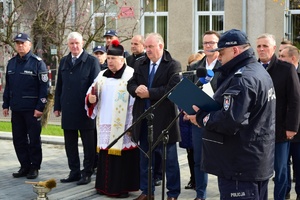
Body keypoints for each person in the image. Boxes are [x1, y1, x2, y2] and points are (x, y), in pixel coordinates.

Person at [186, 29, 276, 199]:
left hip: (240, 166)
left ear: (235, 50)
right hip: (253, 160)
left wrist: (200, 117)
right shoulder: (257, 70)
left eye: (221, 52)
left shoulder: (242, 78)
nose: (219, 57)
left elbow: (230, 120)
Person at [127, 32, 181, 200]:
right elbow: (131, 83)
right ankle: (147, 191)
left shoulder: (173, 65)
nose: (148, 50)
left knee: (169, 160)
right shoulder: (140, 63)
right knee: (145, 159)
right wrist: (136, 90)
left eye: (151, 47)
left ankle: (172, 193)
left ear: (160, 46)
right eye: (146, 46)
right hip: (144, 118)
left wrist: (149, 93)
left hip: (165, 120)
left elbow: (171, 89)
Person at [85, 39, 139, 198]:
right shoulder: (102, 75)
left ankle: (121, 188)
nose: (110, 61)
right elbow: (91, 91)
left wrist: (132, 124)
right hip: (105, 123)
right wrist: (90, 99)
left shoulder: (130, 74)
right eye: (108, 58)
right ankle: (104, 187)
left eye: (113, 59)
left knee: (122, 159)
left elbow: (135, 102)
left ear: (122, 59)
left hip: (123, 124)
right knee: (105, 156)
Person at [256, 33, 300, 200]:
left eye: (265, 46)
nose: (261, 49)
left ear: (273, 48)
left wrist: (291, 127)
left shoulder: (286, 69)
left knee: (280, 171)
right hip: (257, 132)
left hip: (280, 130)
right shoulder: (252, 68)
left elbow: (295, 100)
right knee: (259, 171)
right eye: (259, 46)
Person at [54, 32, 100, 185]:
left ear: (82, 43)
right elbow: (59, 85)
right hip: (68, 109)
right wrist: (57, 106)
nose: (74, 46)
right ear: (68, 45)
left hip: (85, 110)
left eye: (77, 43)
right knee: (70, 144)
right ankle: (74, 172)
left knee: (88, 145)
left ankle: (87, 172)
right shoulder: (64, 61)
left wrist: (93, 105)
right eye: (71, 43)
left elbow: (96, 87)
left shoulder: (91, 61)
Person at [2, 33, 48, 179]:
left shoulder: (37, 63)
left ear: (29, 44)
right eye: (17, 43)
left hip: (32, 110)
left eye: (22, 43)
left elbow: (44, 87)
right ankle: (24, 165)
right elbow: (8, 86)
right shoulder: (12, 63)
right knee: (18, 139)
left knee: (34, 139)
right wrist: (5, 104)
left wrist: (40, 107)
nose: (20, 45)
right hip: (16, 109)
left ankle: (34, 167)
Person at [187, 30, 222, 200]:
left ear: (218, 45)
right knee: (199, 159)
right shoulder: (195, 67)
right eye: (205, 43)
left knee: (222, 159)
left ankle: (224, 193)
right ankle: (200, 195)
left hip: (218, 118)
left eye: (212, 43)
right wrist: (188, 111)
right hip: (198, 120)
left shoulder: (224, 66)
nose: (208, 46)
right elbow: (188, 91)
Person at [180, 51, 206, 191]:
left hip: (207, 119)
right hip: (190, 120)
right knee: (193, 154)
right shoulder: (191, 74)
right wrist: (185, 109)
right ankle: (196, 183)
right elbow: (184, 93)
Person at [278, 45, 300, 200]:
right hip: (281, 130)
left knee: (299, 167)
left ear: (292, 59)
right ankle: (284, 193)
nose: (279, 59)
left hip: (298, 131)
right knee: (282, 167)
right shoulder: (278, 74)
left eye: (282, 56)